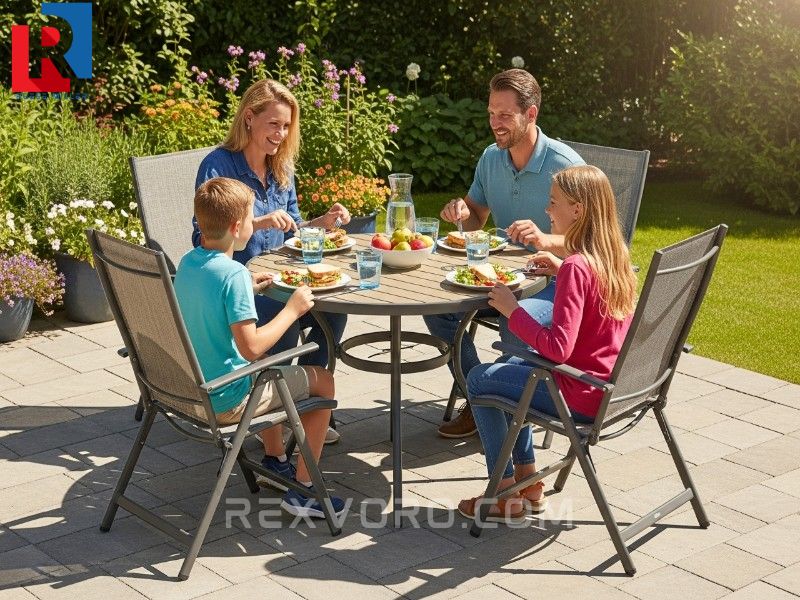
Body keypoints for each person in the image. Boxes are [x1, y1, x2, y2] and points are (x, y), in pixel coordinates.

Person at [456, 165, 637, 523]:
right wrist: (560, 269)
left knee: (479, 379)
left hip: (577, 393)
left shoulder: (577, 268)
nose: (547, 209)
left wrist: (512, 311)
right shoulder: (614, 257)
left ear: (578, 210)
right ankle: (528, 482)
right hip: (608, 388)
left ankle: (501, 496)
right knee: (513, 368)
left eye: (553, 202)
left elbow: (557, 349)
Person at [175, 177, 347, 518]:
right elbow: (251, 348)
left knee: (270, 364)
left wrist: (248, 288)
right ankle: (305, 491)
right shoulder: (234, 274)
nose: (254, 224)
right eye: (251, 219)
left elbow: (212, 300)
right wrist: (292, 310)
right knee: (323, 381)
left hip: (188, 388)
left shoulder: (189, 263)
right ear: (237, 228)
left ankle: (275, 460)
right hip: (225, 398)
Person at [428, 69, 584, 438]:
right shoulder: (491, 158)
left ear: (531, 114)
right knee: (437, 308)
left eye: (505, 115)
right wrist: (461, 212)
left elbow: (595, 244)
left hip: (553, 281)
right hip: (500, 275)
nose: (495, 124)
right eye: (491, 114)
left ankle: (504, 411)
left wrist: (545, 240)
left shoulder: (565, 166)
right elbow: (476, 217)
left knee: (517, 320)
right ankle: (480, 396)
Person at [195, 79, 347, 444]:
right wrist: (257, 222)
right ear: (249, 118)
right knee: (284, 322)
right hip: (243, 287)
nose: (281, 134)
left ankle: (304, 404)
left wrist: (322, 223)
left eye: (286, 126)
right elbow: (202, 236)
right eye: (274, 124)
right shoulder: (218, 166)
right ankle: (273, 417)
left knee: (333, 312)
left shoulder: (281, 167)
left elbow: (293, 228)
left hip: (283, 279)